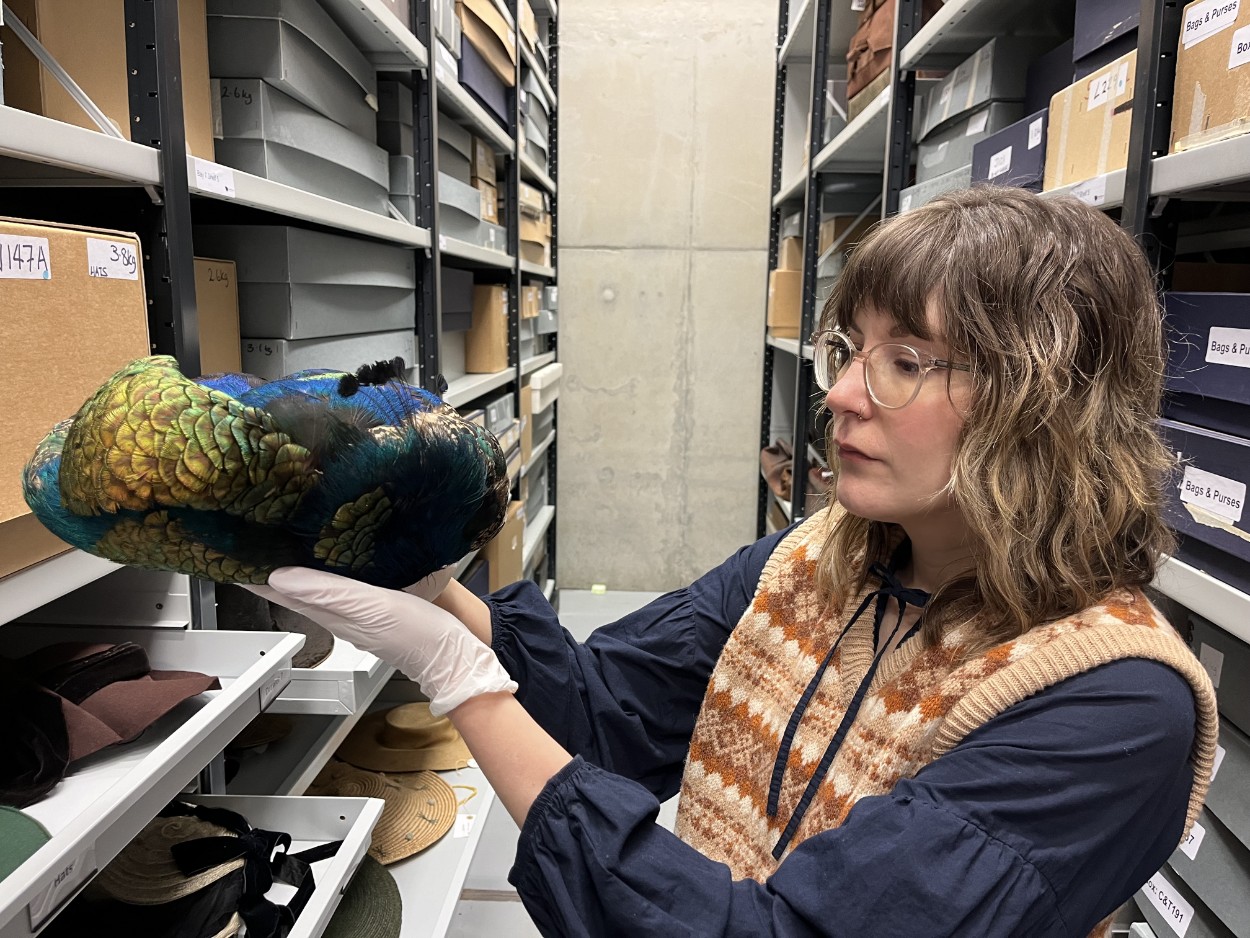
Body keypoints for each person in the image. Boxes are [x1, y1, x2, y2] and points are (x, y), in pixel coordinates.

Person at [255, 187, 1219, 938]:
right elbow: (609, 716)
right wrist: (444, 601)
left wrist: (463, 684)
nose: (840, 393)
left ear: (1043, 400)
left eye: (906, 360)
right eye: (849, 349)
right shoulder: (811, 561)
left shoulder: (1116, 709)